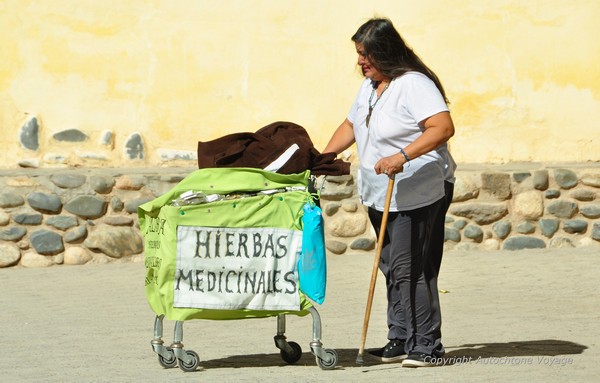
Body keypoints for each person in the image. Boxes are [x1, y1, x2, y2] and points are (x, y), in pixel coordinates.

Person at [322, 17, 456, 368]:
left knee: (410, 267)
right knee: (391, 267)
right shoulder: (370, 86)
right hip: (379, 191)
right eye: (358, 54)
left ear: (385, 51)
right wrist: (324, 157)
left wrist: (402, 155)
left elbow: (442, 127)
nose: (360, 62)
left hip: (417, 189)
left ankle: (427, 346)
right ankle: (400, 337)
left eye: (365, 54)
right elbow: (351, 124)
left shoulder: (413, 84)